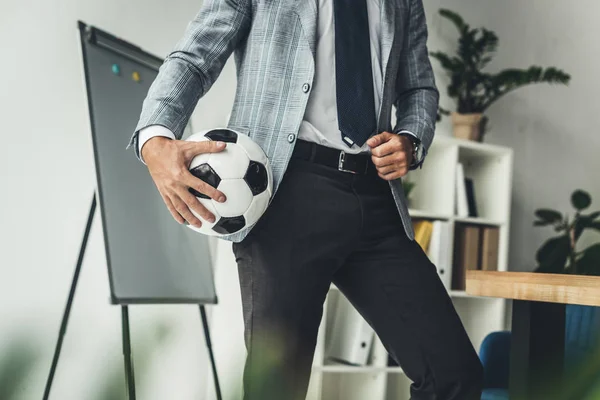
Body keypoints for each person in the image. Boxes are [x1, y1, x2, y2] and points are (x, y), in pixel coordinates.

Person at [129, 0, 483, 399]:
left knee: (454, 374)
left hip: (376, 197)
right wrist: (155, 136)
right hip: (285, 195)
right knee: (277, 391)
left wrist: (411, 139)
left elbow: (418, 87)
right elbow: (195, 57)